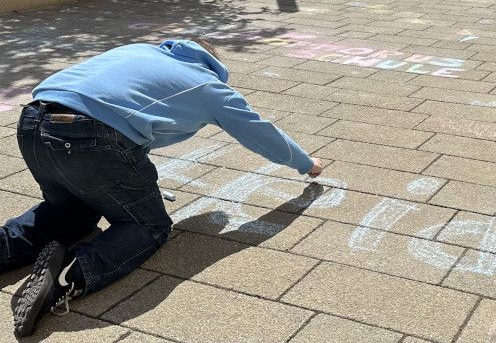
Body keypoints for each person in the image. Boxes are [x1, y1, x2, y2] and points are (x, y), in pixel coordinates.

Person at [2, 39, 325, 336]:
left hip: (34, 122)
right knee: (149, 225)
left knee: (70, 213)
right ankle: (68, 275)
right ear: (213, 64)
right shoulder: (208, 86)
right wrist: (305, 163)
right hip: (89, 135)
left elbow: (121, 112)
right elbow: (259, 132)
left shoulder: (142, 51)